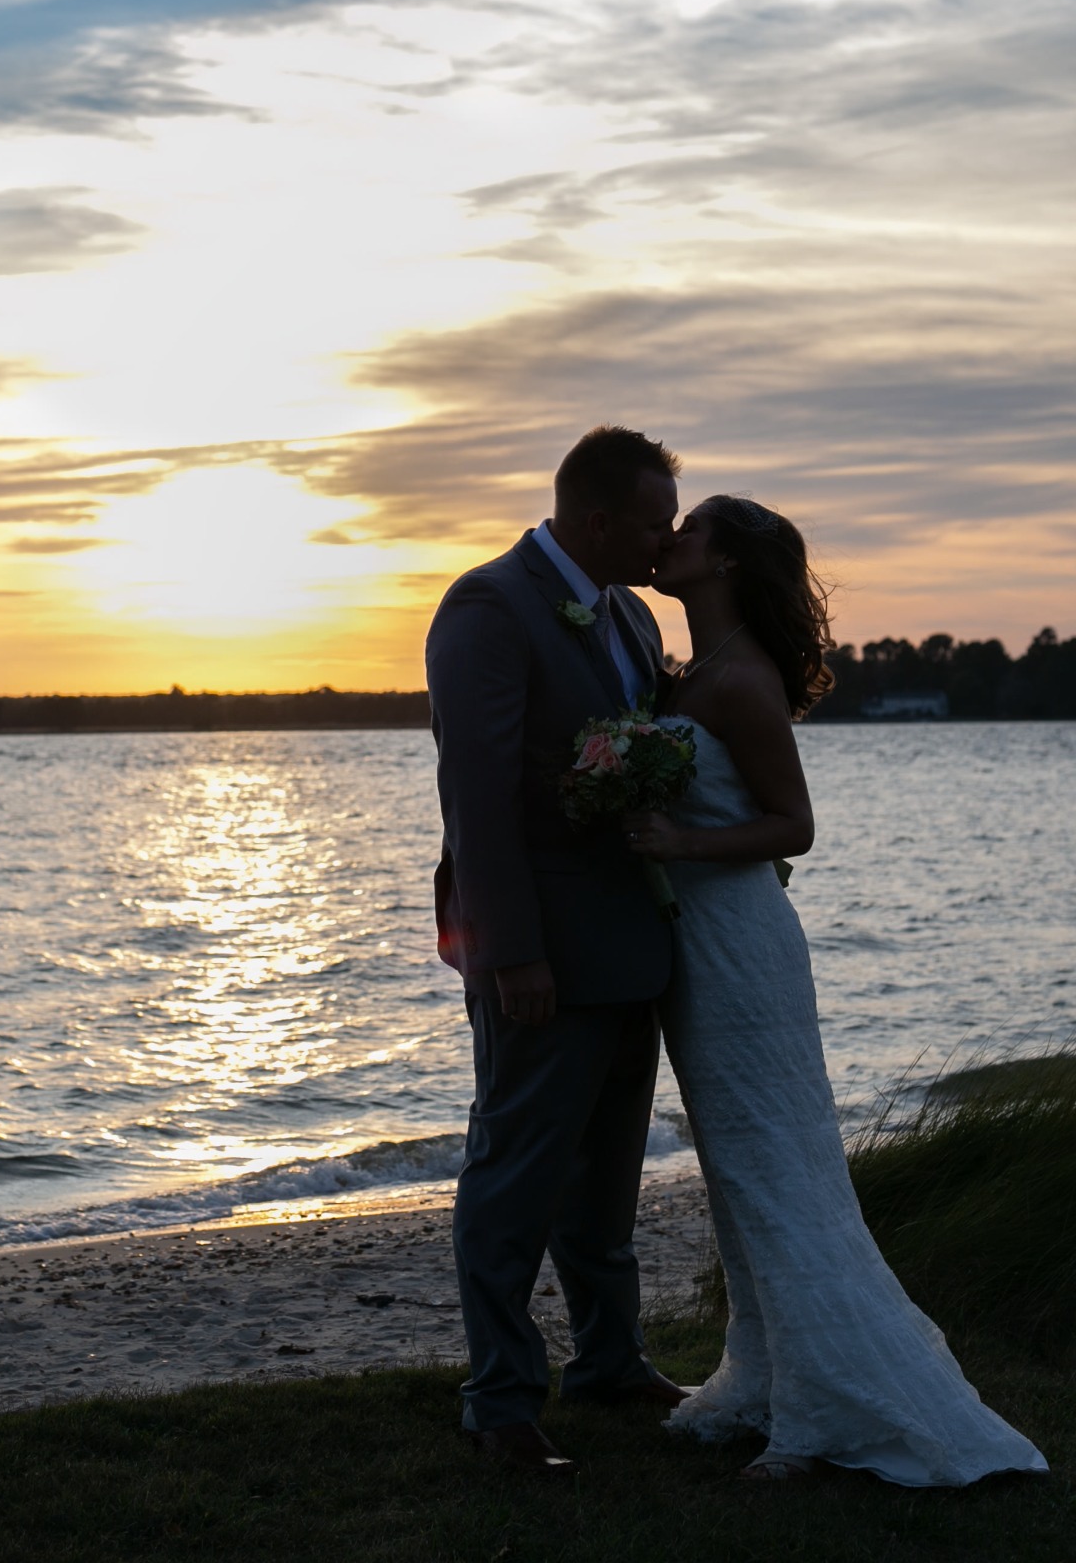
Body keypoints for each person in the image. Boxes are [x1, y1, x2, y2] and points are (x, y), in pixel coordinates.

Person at [625, 494, 1049, 1486]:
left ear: (723, 562)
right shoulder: (686, 673)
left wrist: (682, 841)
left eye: (686, 532)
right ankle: (768, 1375)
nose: (668, 539)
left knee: (778, 1166)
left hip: (744, 953)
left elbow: (794, 824)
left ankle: (824, 1412)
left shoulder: (740, 681)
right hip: (698, 954)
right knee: (737, 1173)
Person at [423, 425, 692, 1478]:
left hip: (631, 942)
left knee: (609, 1178)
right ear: (595, 519)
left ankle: (611, 1362)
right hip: (541, 955)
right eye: (653, 520)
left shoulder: (626, 612)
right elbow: (477, 797)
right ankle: (498, 1399)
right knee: (516, 1172)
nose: (666, 538)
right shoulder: (490, 607)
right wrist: (511, 952)